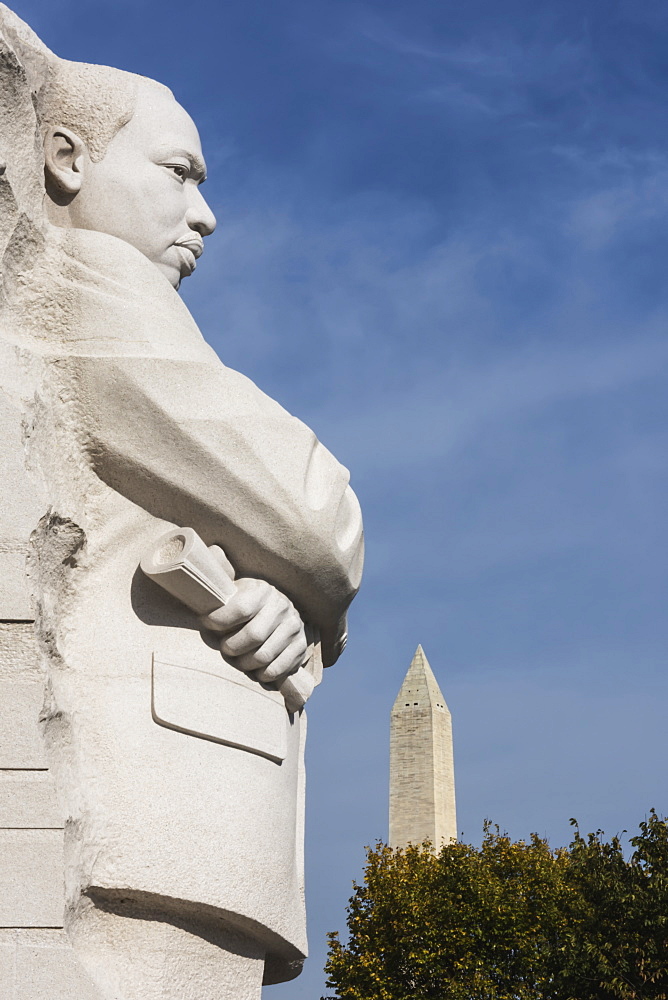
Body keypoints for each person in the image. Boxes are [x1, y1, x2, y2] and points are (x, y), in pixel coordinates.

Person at [0, 15, 363, 1000]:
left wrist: (279, 602)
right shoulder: (89, 295)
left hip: (170, 821)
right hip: (151, 813)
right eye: (177, 172)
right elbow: (312, 517)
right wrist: (299, 575)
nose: (203, 213)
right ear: (66, 160)